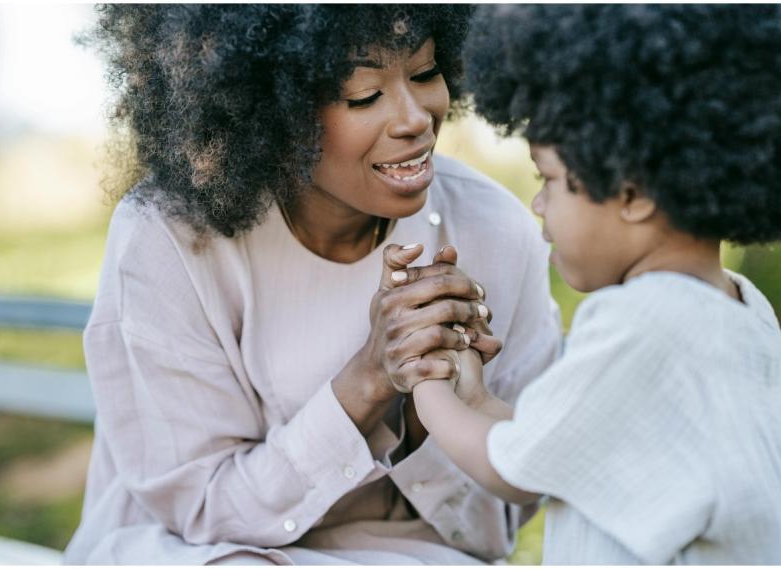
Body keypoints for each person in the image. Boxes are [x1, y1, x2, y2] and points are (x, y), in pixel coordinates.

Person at [65, 5, 561, 565]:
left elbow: (502, 518)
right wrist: (371, 379)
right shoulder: (169, 240)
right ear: (270, 108)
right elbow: (198, 510)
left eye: (425, 73)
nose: (415, 118)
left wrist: (432, 417)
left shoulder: (496, 231)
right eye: (363, 94)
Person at [406, 4, 781, 565]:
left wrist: (423, 386)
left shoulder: (641, 321)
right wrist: (474, 399)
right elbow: (562, 443)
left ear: (633, 192)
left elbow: (514, 472)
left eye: (549, 178)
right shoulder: (740, 306)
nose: (538, 203)